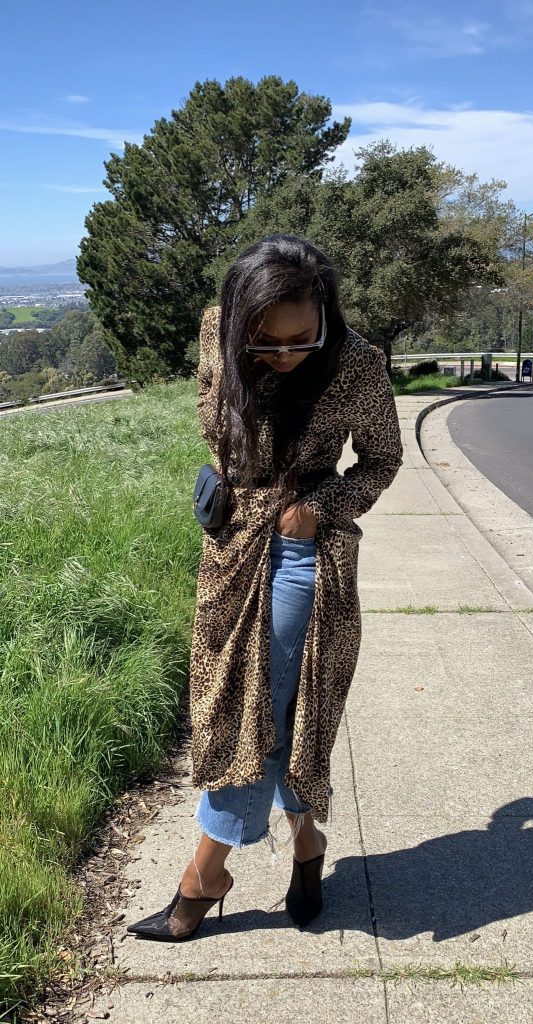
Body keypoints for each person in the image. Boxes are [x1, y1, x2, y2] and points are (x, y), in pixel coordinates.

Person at [127, 233, 403, 942]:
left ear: (324, 314)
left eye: (300, 340)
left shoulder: (356, 362)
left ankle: (203, 877)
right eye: (266, 342)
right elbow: (210, 411)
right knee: (254, 707)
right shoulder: (215, 330)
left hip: (298, 550)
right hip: (228, 548)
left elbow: (382, 460)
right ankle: (307, 844)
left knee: (261, 713)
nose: (283, 355)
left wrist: (322, 508)